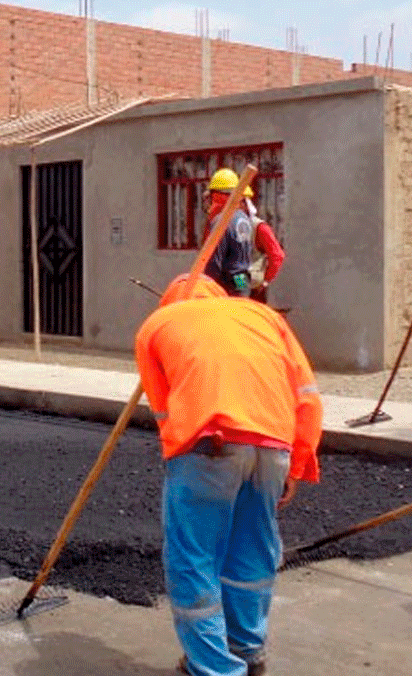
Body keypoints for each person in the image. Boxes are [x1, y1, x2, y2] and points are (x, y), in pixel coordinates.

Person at [135, 272, 323, 676]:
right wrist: (299, 462)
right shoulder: (265, 317)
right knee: (253, 552)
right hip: (273, 446)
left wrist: (181, 459)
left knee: (194, 557)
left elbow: (165, 411)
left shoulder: (155, 327)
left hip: (207, 447)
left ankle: (214, 667)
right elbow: (307, 397)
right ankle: (248, 652)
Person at [202, 168, 254, 296]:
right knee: (241, 308)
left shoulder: (222, 221)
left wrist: (207, 286)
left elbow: (214, 261)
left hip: (226, 284)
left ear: (217, 195)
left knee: (224, 314)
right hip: (241, 280)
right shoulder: (243, 217)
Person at [245, 188, 286, 304]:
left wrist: (265, 281)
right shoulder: (222, 224)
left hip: (248, 284)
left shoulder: (259, 228)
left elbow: (277, 256)